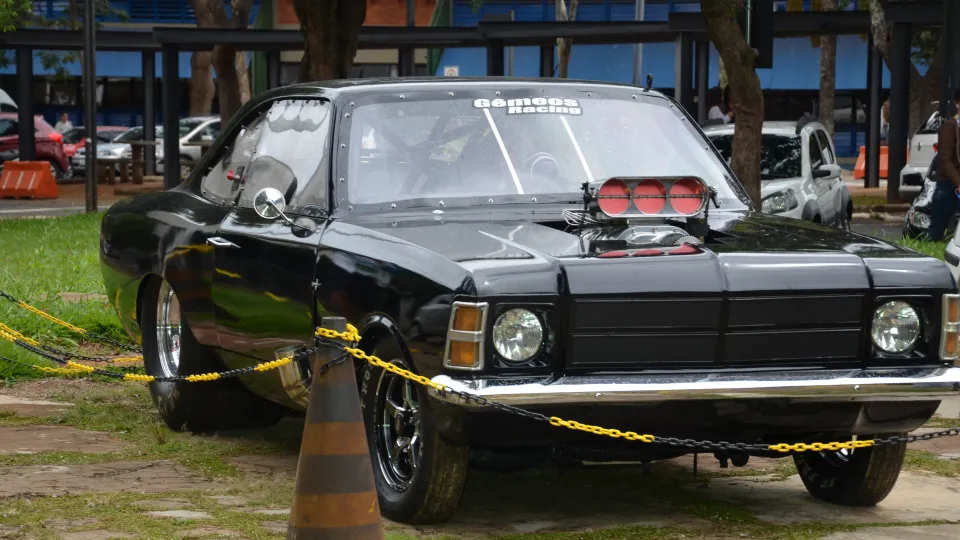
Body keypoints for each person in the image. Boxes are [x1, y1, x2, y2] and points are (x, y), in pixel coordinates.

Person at [924, 89, 960, 241]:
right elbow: (945, 160)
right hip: (948, 187)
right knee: (936, 233)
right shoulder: (950, 127)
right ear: (957, 104)